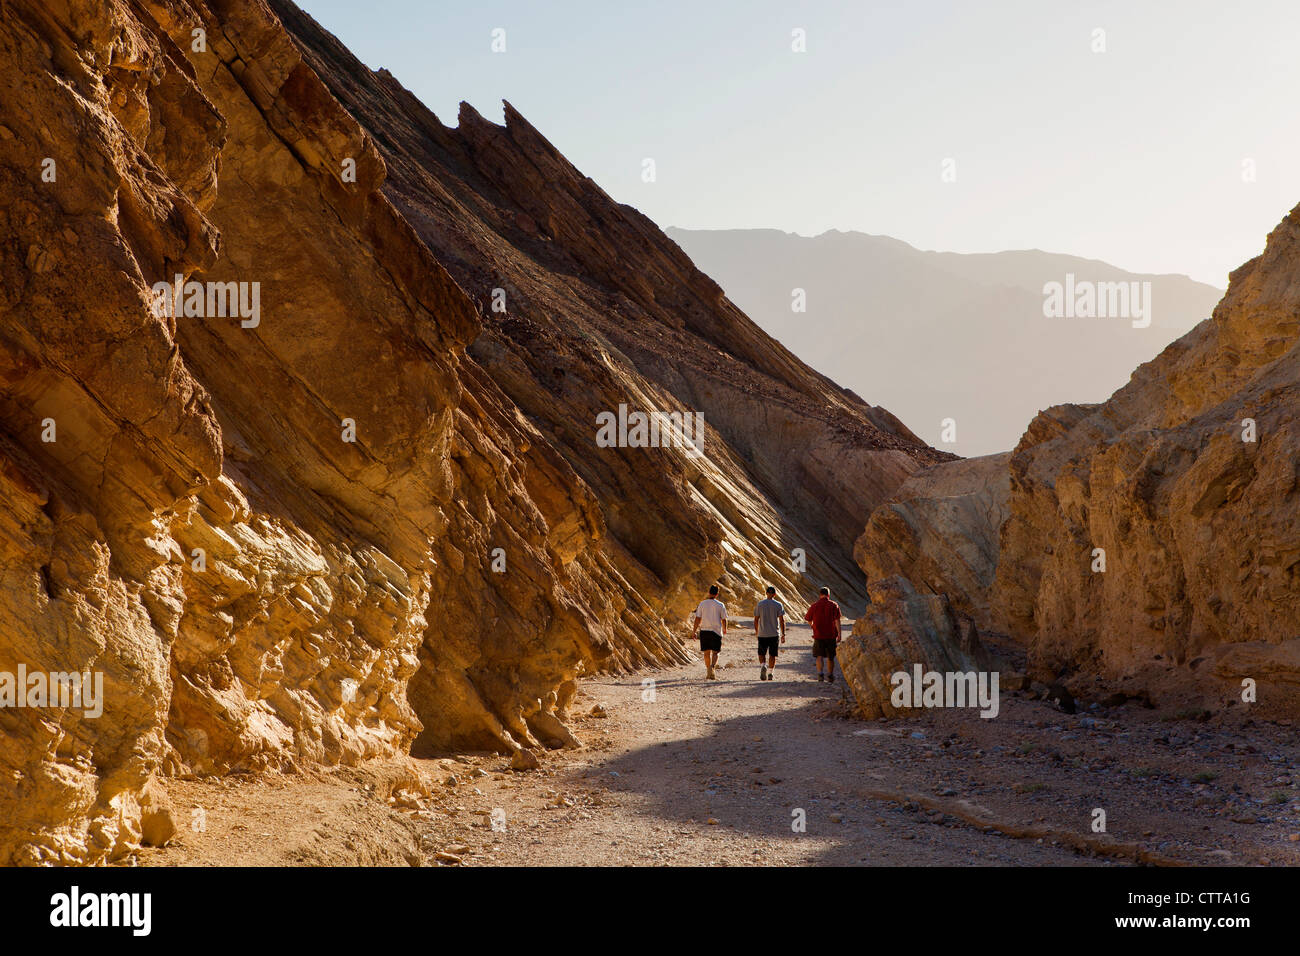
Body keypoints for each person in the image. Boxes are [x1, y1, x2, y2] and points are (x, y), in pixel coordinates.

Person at [804, 586, 843, 682]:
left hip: (818, 634)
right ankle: (830, 675)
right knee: (830, 657)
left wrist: (813, 626)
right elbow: (837, 620)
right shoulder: (834, 605)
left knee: (819, 655)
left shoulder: (814, 605)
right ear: (828, 595)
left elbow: (808, 619)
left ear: (820, 594)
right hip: (831, 635)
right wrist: (839, 634)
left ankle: (820, 673)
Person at [691, 584, 728, 680]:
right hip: (716, 631)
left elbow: (697, 618)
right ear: (717, 594)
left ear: (709, 592)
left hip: (704, 631)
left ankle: (708, 670)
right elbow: (724, 619)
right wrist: (724, 629)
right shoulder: (721, 605)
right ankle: (712, 668)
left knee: (706, 653)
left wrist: (694, 631)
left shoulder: (702, 604)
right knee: (715, 652)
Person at [752, 586, 786, 680]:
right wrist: (783, 634)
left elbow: (755, 619)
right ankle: (770, 673)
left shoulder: (760, 604)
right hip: (774, 633)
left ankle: (763, 665)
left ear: (766, 593)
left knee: (761, 653)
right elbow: (782, 620)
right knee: (772, 654)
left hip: (762, 633)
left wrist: (757, 631)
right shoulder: (778, 605)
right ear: (775, 594)